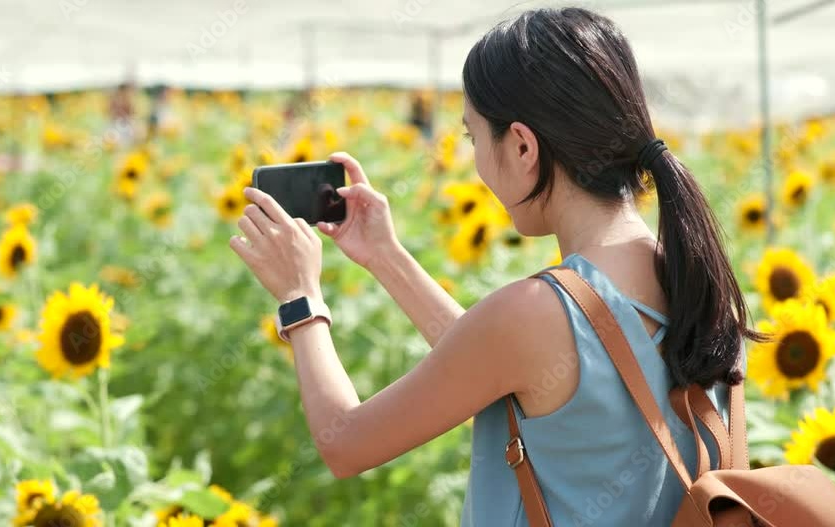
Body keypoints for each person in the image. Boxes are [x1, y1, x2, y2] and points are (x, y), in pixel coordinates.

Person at [230, 8, 760, 526]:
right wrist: (386, 257)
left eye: (474, 137)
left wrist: (300, 297)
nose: (477, 161)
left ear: (524, 145)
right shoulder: (703, 287)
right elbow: (495, 363)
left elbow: (343, 443)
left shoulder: (539, 313)